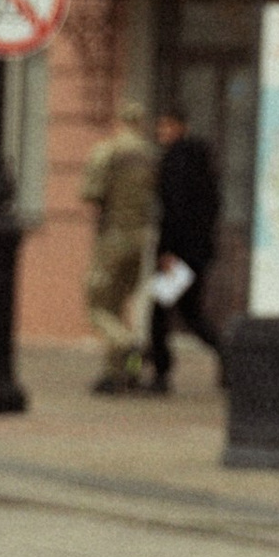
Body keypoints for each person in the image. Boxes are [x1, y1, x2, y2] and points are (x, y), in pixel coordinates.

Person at [80, 100, 159, 394]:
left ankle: (128, 347)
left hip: (114, 237)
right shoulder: (152, 155)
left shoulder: (108, 151)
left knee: (99, 305)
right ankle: (124, 374)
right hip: (144, 240)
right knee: (128, 309)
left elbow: (91, 192)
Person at [145, 108, 225, 392]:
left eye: (167, 126)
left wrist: (168, 251)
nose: (162, 133)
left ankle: (160, 375)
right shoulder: (203, 162)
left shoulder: (175, 161)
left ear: (181, 127)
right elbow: (213, 206)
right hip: (198, 251)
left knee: (159, 312)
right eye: (160, 127)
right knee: (191, 313)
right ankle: (230, 358)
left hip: (178, 254)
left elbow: (174, 212)